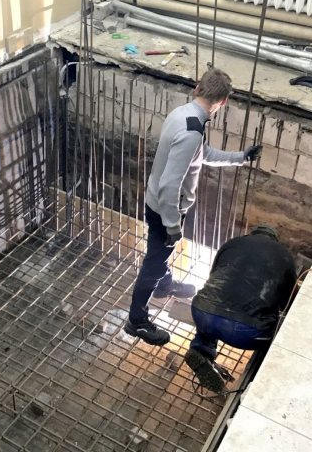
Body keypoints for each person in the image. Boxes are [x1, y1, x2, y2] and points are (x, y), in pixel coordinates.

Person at [124, 68, 261, 346]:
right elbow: (170, 185)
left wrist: (241, 157)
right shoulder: (191, 132)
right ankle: (136, 321)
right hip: (166, 209)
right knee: (153, 263)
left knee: (159, 256)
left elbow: (202, 154)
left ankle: (164, 285)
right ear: (223, 102)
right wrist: (172, 225)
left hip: (158, 203)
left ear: (198, 88)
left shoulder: (184, 115)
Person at [184, 225, 297, 393]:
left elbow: (214, 276)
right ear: (274, 239)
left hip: (202, 313)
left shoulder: (231, 244)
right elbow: (287, 303)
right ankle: (263, 373)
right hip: (245, 334)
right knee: (281, 332)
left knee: (213, 307)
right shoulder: (285, 257)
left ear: (251, 234)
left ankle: (200, 350)